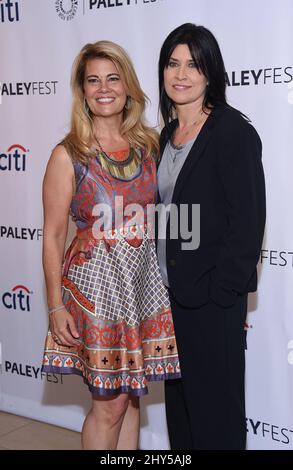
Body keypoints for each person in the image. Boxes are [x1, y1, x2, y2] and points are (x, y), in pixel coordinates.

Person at [41, 40, 180, 450]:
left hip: (141, 288)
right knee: (110, 405)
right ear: (82, 91)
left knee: (132, 398)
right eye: (93, 80)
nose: (104, 88)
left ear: (128, 87)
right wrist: (54, 305)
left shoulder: (150, 146)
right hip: (95, 291)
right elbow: (51, 235)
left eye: (113, 78)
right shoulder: (68, 155)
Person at [157, 23, 266, 450]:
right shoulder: (167, 135)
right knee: (183, 418)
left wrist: (223, 293)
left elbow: (248, 222)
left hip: (212, 303)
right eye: (173, 63)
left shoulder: (231, 132)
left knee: (216, 420)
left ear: (210, 74)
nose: (181, 74)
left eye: (193, 64)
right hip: (171, 301)